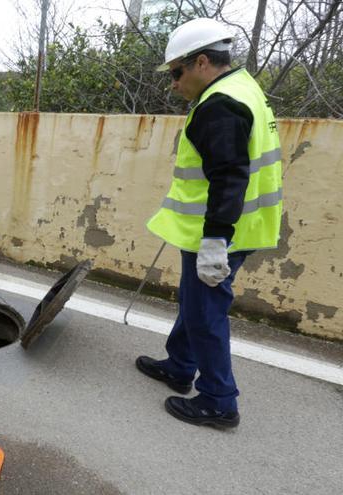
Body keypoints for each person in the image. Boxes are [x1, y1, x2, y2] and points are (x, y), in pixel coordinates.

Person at [136, 18, 283, 428]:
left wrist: (216, 239)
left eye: (176, 73)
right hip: (235, 227)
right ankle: (180, 366)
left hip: (221, 233)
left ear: (201, 62)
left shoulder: (220, 104)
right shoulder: (243, 88)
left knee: (205, 313)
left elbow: (229, 175)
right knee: (195, 301)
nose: (173, 84)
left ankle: (219, 400)